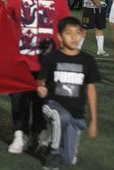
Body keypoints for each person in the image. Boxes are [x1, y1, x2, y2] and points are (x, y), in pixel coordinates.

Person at [4, 0, 70, 154]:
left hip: (46, 62)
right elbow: (2, 23)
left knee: (43, 100)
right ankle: (19, 134)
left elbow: (64, 28)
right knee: (18, 99)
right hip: (19, 60)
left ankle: (40, 132)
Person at [36, 16, 99, 169]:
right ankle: (54, 153)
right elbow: (40, 81)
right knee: (61, 116)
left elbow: (91, 89)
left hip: (76, 112)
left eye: (77, 33)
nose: (73, 37)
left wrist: (94, 120)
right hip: (52, 105)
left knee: (69, 160)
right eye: (68, 33)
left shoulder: (87, 60)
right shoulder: (52, 58)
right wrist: (40, 88)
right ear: (59, 36)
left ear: (82, 35)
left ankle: (49, 141)